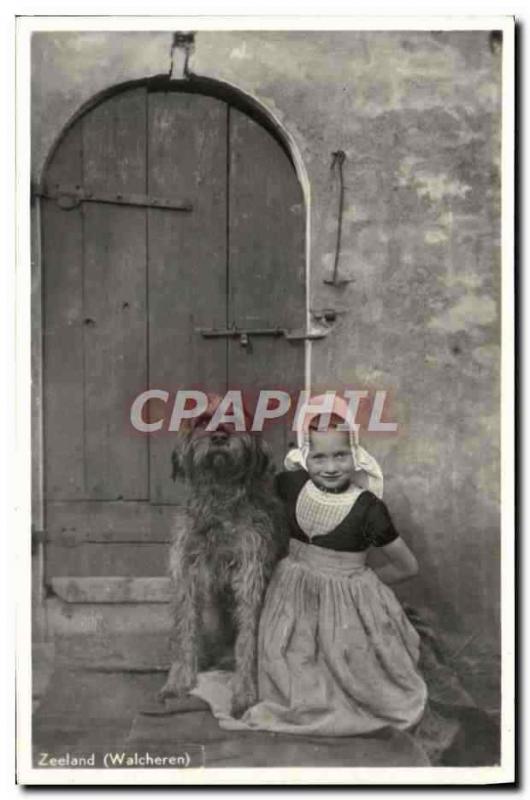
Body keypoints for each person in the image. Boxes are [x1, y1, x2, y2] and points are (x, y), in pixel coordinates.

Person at [191, 394, 429, 737]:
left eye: (340, 455)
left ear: (355, 454)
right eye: (319, 457)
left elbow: (408, 565)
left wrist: (362, 586)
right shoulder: (292, 485)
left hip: (347, 607)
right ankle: (294, 693)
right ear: (305, 456)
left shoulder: (367, 508)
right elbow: (245, 490)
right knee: (289, 658)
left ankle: (346, 693)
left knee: (351, 663)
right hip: (291, 596)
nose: (330, 467)